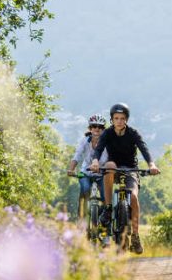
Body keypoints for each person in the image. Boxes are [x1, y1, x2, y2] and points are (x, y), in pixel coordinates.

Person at [90, 103, 160, 254]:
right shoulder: (107, 133)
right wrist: (95, 161)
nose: (119, 121)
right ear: (112, 119)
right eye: (116, 118)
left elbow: (144, 149)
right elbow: (99, 149)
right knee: (109, 164)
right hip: (114, 168)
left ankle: (135, 235)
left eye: (122, 118)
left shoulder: (133, 133)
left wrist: (152, 165)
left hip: (131, 169)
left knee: (133, 196)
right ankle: (108, 208)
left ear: (126, 119)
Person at [67, 114, 108, 219]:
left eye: (100, 127)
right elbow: (77, 156)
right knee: (85, 189)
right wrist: (71, 169)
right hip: (85, 172)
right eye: (94, 126)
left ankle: (104, 220)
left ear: (103, 129)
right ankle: (81, 218)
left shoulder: (107, 143)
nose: (97, 129)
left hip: (102, 173)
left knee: (105, 196)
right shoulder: (84, 141)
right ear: (90, 128)